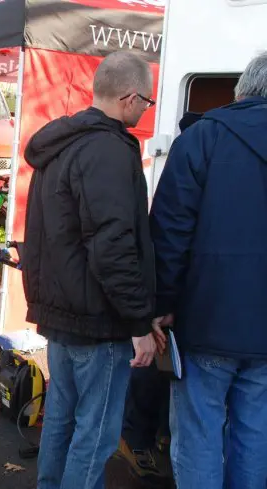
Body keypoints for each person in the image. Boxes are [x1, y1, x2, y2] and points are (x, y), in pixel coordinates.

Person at [21, 51, 164, 489]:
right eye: (147, 102)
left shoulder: (63, 143)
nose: (146, 111)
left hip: (63, 314)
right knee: (96, 434)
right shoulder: (109, 150)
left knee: (63, 418)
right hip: (98, 322)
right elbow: (112, 246)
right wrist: (139, 321)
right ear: (129, 97)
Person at [149, 52, 267, 489]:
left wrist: (160, 305)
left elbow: (170, 232)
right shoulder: (203, 139)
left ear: (241, 92)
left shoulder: (202, 139)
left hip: (206, 319)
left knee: (199, 432)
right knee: (256, 433)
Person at [114, 111, 202, 486]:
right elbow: (167, 228)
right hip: (176, 288)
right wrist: (156, 306)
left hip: (189, 288)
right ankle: (137, 439)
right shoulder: (198, 147)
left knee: (165, 368)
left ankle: (148, 437)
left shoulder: (201, 147)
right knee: (153, 365)